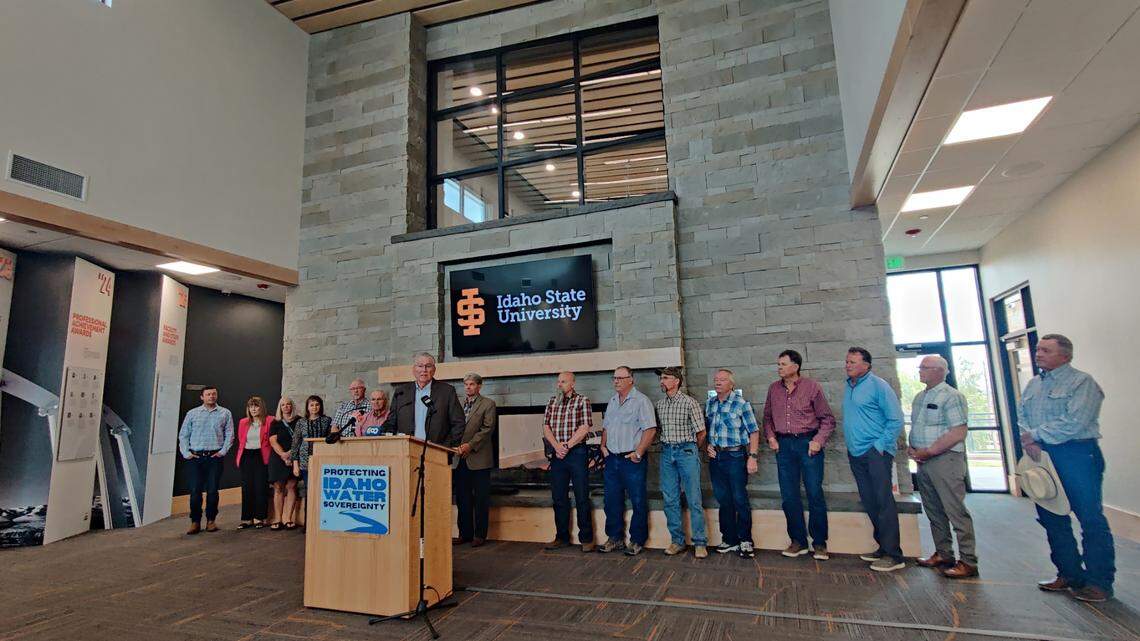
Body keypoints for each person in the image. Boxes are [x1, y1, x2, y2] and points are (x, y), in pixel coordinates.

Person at [1018, 334, 1114, 603]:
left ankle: (1099, 582)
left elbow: (1075, 421)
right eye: (1038, 349)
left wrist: (1035, 435)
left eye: (1046, 350)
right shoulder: (1034, 384)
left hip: (1077, 454)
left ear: (1065, 356)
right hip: (1042, 455)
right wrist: (1030, 440)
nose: (1039, 353)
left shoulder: (1082, 382)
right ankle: (1069, 573)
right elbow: (1022, 416)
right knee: (1052, 518)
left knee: (1090, 519)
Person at [908, 355, 977, 578]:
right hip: (923, 461)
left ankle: (968, 560)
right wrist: (913, 448)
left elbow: (958, 432)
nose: (920, 371)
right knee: (934, 510)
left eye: (925, 367)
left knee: (955, 510)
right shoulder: (920, 397)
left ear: (940, 370)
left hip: (945, 460)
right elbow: (919, 426)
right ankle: (943, 553)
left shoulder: (952, 396)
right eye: (920, 367)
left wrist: (930, 451)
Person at [762, 349, 836, 561]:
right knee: (789, 495)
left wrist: (818, 441)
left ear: (795, 366)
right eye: (778, 364)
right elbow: (767, 418)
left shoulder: (812, 387)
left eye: (783, 364)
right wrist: (771, 437)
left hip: (808, 443)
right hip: (784, 445)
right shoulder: (773, 389)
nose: (779, 368)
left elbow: (827, 419)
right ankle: (798, 541)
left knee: (814, 492)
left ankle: (819, 543)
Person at [843, 347, 906, 572]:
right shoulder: (848, 386)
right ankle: (883, 547)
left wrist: (880, 446)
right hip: (856, 453)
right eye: (847, 361)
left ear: (866, 365)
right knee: (869, 501)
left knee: (883, 501)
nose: (847, 365)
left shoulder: (879, 386)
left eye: (852, 362)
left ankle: (894, 555)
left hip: (875, 453)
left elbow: (896, 419)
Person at [600, 366, 657, 556]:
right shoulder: (612, 401)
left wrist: (638, 453)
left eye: (620, 378)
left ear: (631, 379)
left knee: (638, 500)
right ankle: (615, 538)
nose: (616, 381)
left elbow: (650, 430)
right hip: (612, 459)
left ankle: (637, 540)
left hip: (632, 460)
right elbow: (606, 427)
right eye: (614, 378)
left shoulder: (641, 401)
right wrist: (603, 446)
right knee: (611, 500)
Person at [705, 368, 761, 558]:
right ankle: (729, 539)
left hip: (735, 456)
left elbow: (754, 432)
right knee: (723, 499)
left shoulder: (741, 404)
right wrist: (708, 445)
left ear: (731, 384)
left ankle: (745, 540)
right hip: (716, 458)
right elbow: (709, 430)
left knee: (739, 498)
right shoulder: (710, 404)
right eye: (716, 379)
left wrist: (752, 457)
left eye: (722, 379)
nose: (718, 382)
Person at [654, 366, 708, 558]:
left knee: (694, 498)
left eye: (665, 378)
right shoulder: (660, 405)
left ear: (676, 381)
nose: (662, 381)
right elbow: (659, 430)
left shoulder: (690, 403)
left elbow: (701, 432)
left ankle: (700, 542)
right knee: (670, 499)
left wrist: (690, 449)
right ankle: (677, 541)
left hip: (686, 451)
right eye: (661, 378)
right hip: (667, 452)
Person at [542, 372, 596, 552]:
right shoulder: (552, 402)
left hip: (577, 453)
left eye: (563, 382)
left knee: (581, 496)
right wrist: (557, 446)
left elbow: (585, 427)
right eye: (558, 382)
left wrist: (567, 445)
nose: (559, 385)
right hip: (557, 454)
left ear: (572, 383)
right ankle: (562, 537)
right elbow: (546, 427)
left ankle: (586, 539)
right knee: (558, 497)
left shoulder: (582, 401)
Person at [177, 386, 233, 535]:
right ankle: (195, 521)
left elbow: (230, 434)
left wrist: (222, 452)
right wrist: (186, 453)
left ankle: (211, 520)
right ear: (202, 397)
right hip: (195, 457)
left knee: (213, 490)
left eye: (214, 394)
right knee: (195, 491)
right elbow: (183, 435)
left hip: (214, 457)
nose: (211, 396)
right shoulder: (192, 413)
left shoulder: (225, 413)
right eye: (208, 394)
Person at [381, 352, 465, 446]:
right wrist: (380, 432)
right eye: (420, 366)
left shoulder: (447, 391)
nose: (424, 370)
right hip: (407, 449)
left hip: (437, 450)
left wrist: (447, 447)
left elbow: (458, 423)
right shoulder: (401, 392)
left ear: (434, 370)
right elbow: (391, 422)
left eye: (428, 366)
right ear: (414, 369)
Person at [453, 373, 497, 547]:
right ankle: (464, 533)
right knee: (462, 498)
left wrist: (469, 446)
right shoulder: (457, 403)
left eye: (471, 384)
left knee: (480, 499)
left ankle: (480, 535)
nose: (468, 387)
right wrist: (456, 446)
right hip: (458, 457)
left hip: (479, 458)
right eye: (466, 384)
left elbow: (487, 429)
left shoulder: (488, 404)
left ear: (479, 386)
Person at [236, 396, 274, 529]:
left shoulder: (270, 420)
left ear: (261, 407)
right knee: (247, 487)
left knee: (260, 487)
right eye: (250, 406)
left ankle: (259, 517)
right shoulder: (243, 422)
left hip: (261, 456)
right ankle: (247, 518)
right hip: (246, 456)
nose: (253, 409)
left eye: (256, 406)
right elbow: (241, 440)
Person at [269, 397, 301, 530]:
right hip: (278, 458)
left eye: (288, 404)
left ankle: (288, 518)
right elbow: (273, 441)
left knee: (291, 486)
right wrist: (283, 455)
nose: (286, 407)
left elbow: (301, 439)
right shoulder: (275, 422)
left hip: (295, 457)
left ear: (292, 406)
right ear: (280, 407)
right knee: (278, 487)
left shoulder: (299, 421)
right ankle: (277, 518)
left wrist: (291, 454)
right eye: (283, 405)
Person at [291, 395, 333, 488]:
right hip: (305, 462)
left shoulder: (327, 420)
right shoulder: (301, 422)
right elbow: (295, 444)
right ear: (307, 407)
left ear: (321, 406)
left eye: (317, 404)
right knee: (309, 488)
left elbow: (331, 440)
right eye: (312, 405)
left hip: (323, 459)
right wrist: (295, 465)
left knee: (322, 487)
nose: (314, 407)